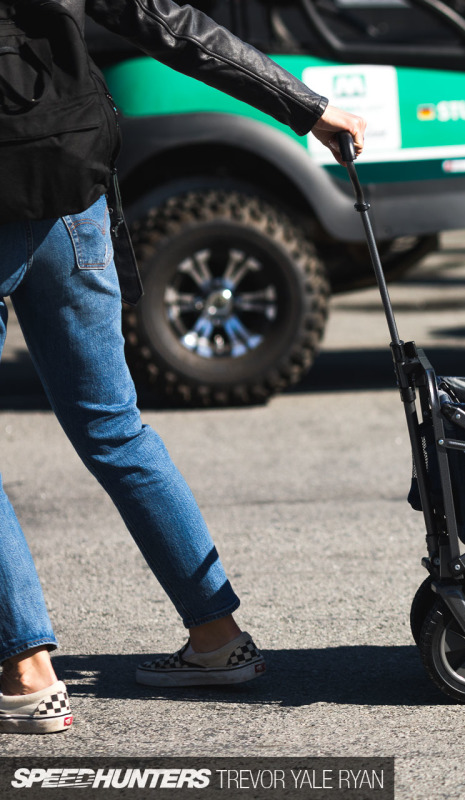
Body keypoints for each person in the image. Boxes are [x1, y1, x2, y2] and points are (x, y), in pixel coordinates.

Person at [0, 0, 366, 734]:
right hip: (72, 191)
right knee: (116, 429)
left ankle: (24, 673)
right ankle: (217, 638)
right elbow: (168, 21)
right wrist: (304, 106)